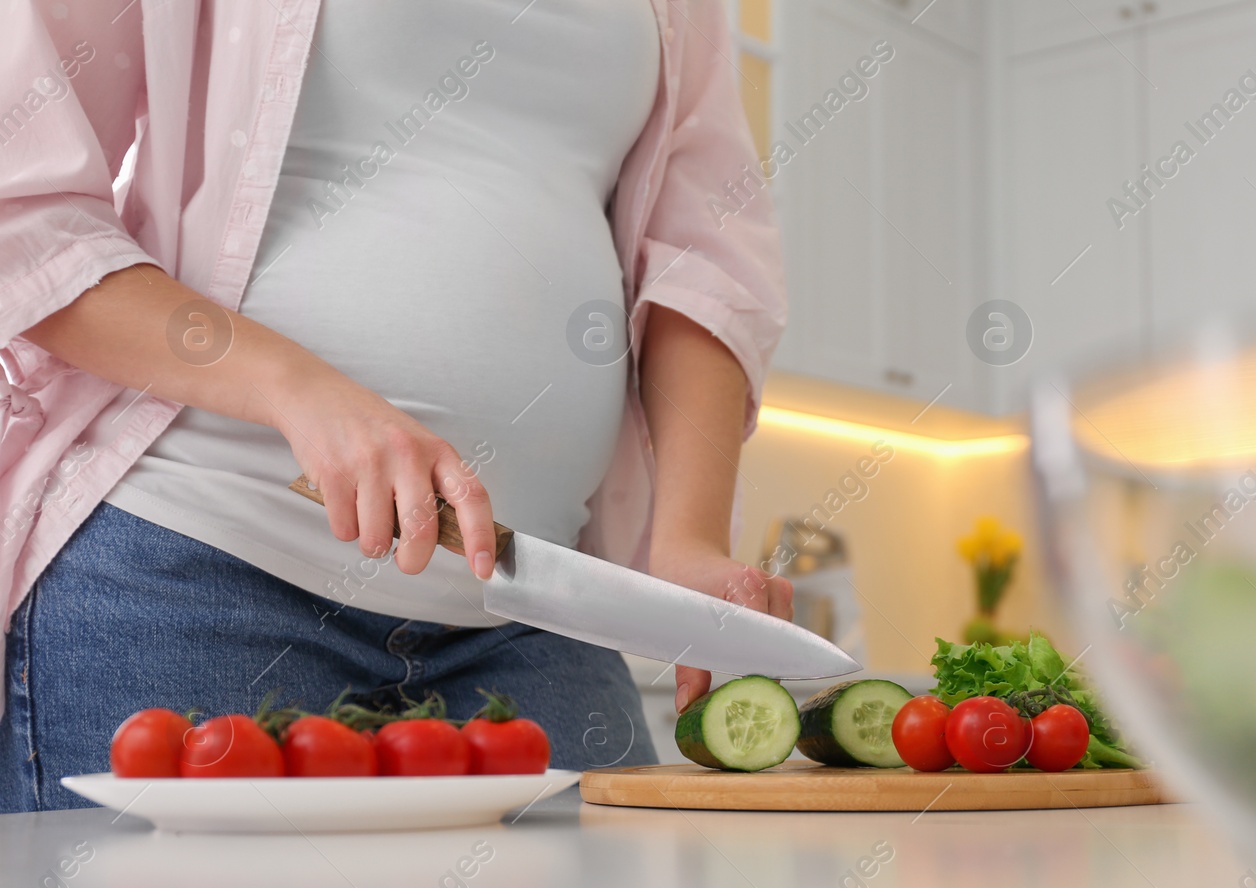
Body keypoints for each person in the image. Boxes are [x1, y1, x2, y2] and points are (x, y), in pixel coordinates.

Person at [0, 0, 791, 812]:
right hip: (194, 569)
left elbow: (705, 256)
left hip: (535, 608)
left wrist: (690, 538)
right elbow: (23, 209)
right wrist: (297, 387)